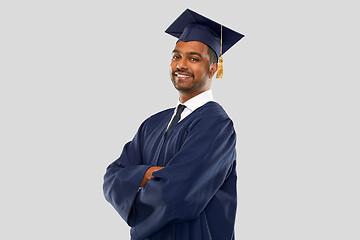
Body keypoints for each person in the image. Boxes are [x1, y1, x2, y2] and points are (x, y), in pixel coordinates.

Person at [103, 9, 244, 240]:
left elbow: (179, 198)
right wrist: (147, 173)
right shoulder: (152, 124)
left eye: (194, 58)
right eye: (177, 56)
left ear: (214, 68)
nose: (181, 65)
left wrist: (133, 190)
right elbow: (111, 177)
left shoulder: (217, 125)